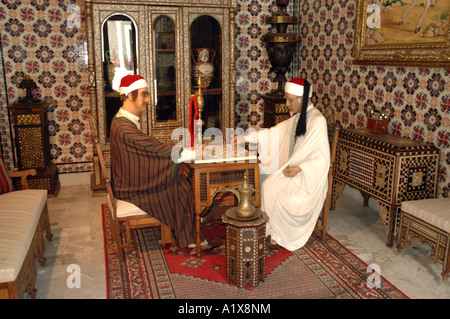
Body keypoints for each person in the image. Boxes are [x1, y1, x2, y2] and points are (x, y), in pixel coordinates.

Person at [109, 74, 208, 253]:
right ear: (130, 95)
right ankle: (188, 238)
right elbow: (152, 149)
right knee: (180, 189)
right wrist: (190, 152)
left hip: (127, 179)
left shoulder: (122, 121)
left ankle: (188, 234)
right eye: (144, 94)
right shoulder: (124, 128)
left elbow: (146, 148)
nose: (148, 99)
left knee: (179, 184)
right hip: (130, 187)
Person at [244, 78, 330, 251]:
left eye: (290, 100)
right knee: (261, 175)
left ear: (301, 99)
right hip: (293, 171)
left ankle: (277, 232)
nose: (287, 103)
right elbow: (274, 133)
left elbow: (322, 158)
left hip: (308, 177)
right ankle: (270, 228)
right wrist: (245, 138)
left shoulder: (317, 120)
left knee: (269, 186)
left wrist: (300, 168)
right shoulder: (299, 117)